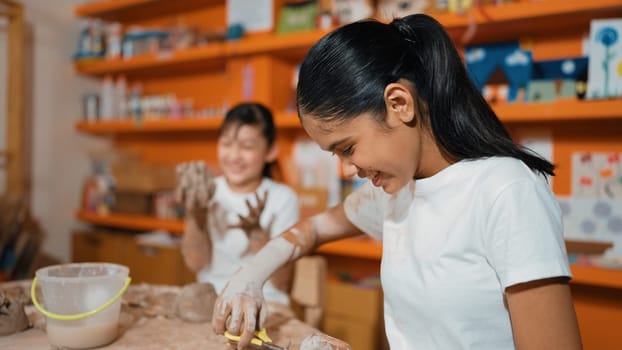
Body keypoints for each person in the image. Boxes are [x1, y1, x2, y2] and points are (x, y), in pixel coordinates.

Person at [212, 14, 583, 350]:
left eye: (347, 148)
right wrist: (251, 275)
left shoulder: (506, 191)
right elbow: (310, 231)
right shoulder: (396, 188)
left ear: (399, 103)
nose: (346, 170)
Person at [176, 102, 300, 308]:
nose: (234, 156)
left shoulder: (283, 198)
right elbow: (195, 263)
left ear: (270, 151)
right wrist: (196, 215)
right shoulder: (206, 192)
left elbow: (283, 284)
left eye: (247, 147)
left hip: (266, 302)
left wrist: (256, 234)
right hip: (212, 300)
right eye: (226, 144)